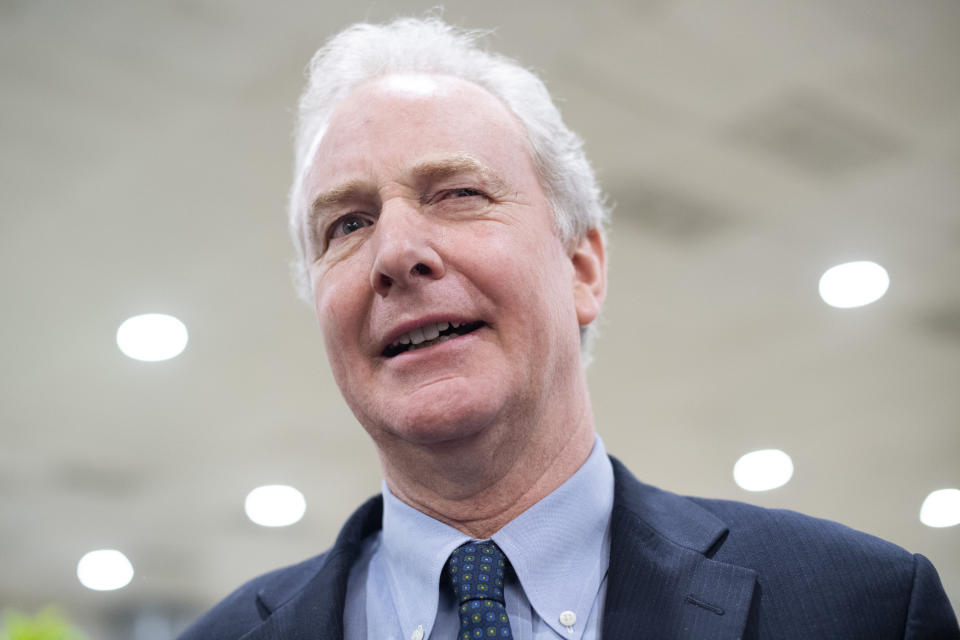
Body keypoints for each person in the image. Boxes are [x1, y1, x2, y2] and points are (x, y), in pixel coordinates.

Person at [180, 17, 959, 640]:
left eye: (456, 193)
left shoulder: (867, 609)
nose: (397, 253)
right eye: (347, 223)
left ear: (582, 266)